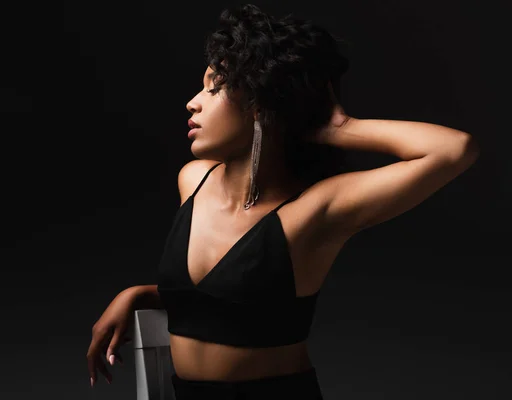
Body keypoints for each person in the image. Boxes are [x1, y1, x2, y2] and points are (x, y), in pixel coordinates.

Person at [86, 4, 480, 399]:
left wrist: (343, 128)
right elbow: (221, 305)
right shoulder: (193, 181)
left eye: (216, 86)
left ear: (262, 104)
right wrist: (137, 294)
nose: (193, 102)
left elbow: (453, 150)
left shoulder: (313, 210)